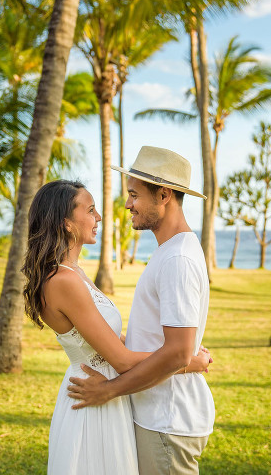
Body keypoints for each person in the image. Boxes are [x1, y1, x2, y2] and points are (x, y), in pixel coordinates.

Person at [22, 179, 211, 475]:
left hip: (108, 394)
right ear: (66, 223)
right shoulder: (63, 281)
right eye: (91, 210)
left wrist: (181, 353)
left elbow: (108, 340)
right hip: (94, 394)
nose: (99, 217)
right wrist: (188, 361)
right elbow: (120, 358)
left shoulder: (74, 272)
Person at [67, 146, 216, 475]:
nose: (127, 204)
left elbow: (178, 353)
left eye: (134, 195)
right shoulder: (171, 251)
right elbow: (167, 340)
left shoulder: (177, 257)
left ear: (163, 195)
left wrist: (107, 391)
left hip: (167, 419)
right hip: (158, 415)